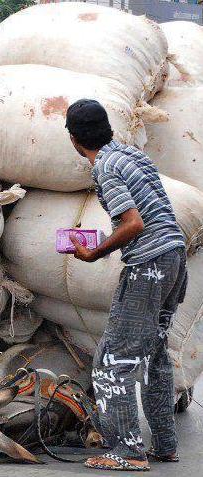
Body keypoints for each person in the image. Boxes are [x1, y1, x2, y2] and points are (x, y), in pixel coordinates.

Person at [65, 99, 187, 472]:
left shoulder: (105, 166)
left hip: (148, 264)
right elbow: (150, 214)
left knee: (111, 361)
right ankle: (165, 444)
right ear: (108, 129)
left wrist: (96, 252)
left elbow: (134, 224)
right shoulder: (132, 156)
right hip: (174, 257)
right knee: (154, 354)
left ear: (73, 139)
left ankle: (126, 451)